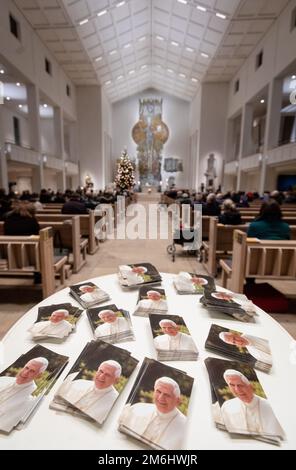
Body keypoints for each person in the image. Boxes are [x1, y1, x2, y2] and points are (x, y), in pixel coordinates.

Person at [119, 376, 186, 449]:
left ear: (177, 400)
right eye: (158, 391)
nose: (161, 398)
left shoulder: (186, 428)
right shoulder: (137, 408)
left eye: (167, 395)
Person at [221, 370, 284, 436]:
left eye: (240, 385)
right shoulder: (227, 407)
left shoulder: (270, 407)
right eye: (232, 385)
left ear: (251, 386)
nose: (237, 390)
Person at [0, 357, 48, 433]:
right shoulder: (3, 379)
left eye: (32, 371)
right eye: (26, 368)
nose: (25, 373)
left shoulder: (31, 400)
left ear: (39, 376)